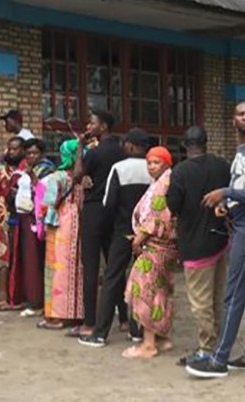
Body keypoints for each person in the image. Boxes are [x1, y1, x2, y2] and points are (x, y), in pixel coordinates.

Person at [186, 101, 245, 379]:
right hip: (241, 225)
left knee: (233, 293)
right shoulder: (242, 150)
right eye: (241, 114)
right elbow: (244, 187)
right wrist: (227, 203)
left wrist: (226, 192)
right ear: (233, 119)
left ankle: (219, 359)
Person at [76, 128, 152, 346]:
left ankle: (100, 333)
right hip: (147, 234)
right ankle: (137, 330)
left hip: (123, 231)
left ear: (130, 145)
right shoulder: (155, 169)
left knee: (112, 278)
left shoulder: (119, 168)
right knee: (142, 280)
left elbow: (108, 203)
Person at [165, 126, 232, 365]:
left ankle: (206, 349)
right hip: (220, 240)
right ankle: (219, 342)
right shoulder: (222, 166)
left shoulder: (180, 172)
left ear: (185, 145)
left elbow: (172, 205)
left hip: (194, 243)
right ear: (206, 142)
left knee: (200, 300)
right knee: (217, 296)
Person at [122, 146, 180, 359]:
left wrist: (138, 240)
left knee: (145, 291)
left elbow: (156, 216)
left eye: (157, 162)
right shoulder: (161, 182)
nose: (152, 166)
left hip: (155, 245)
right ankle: (163, 338)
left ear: (166, 163)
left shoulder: (163, 184)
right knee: (161, 291)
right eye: (149, 163)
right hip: (165, 247)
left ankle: (148, 345)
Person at [72, 110, 126, 336]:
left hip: (94, 211)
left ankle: (89, 323)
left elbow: (77, 175)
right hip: (116, 211)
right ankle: (124, 319)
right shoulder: (123, 151)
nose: (88, 126)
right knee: (115, 267)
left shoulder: (95, 153)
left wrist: (79, 147)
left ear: (103, 127)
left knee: (91, 266)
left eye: (91, 123)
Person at [36, 139, 86, 329]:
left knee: (56, 269)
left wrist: (41, 221)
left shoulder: (57, 177)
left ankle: (56, 316)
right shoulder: (84, 178)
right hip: (79, 221)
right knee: (75, 267)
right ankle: (75, 313)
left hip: (59, 224)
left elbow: (47, 204)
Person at [8, 138, 55, 317]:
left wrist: (32, 179)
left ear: (41, 154)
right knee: (28, 260)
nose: (31, 156)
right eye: (28, 153)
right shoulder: (26, 169)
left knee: (35, 260)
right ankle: (31, 297)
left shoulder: (46, 170)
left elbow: (45, 192)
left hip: (38, 219)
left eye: (35, 153)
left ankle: (37, 301)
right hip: (24, 217)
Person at [0, 136, 25, 311]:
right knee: (1, 255)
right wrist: (3, 203)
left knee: (21, 256)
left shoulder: (27, 171)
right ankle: (2, 295)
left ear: (22, 150)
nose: (12, 152)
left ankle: (19, 295)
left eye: (15, 149)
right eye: (10, 148)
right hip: (2, 220)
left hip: (24, 218)